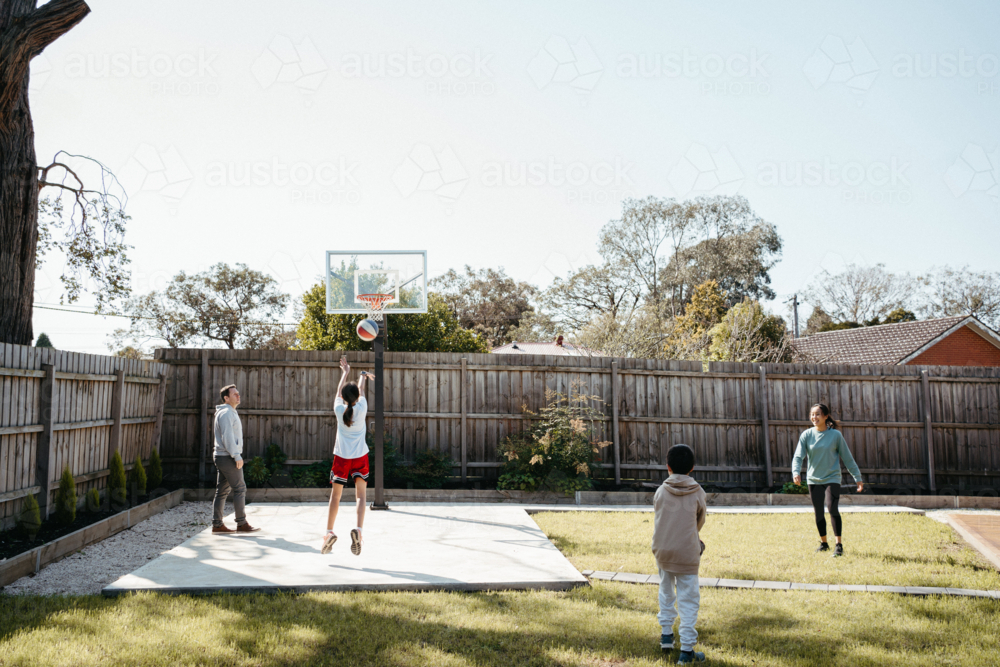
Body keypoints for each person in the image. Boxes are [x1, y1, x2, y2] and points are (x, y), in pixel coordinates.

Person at [652, 444, 707, 664]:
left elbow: (660, 518)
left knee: (666, 592)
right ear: (692, 467)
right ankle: (686, 649)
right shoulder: (698, 492)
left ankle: (666, 636)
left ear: (668, 467)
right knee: (688, 599)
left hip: (663, 551)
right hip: (687, 554)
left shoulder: (661, 491)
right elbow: (699, 521)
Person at [792, 403, 864, 556]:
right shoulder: (806, 435)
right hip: (814, 479)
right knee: (818, 513)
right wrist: (796, 471)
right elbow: (798, 456)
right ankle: (824, 543)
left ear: (825, 416)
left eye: (818, 414)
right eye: (812, 414)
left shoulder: (835, 435)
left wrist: (857, 477)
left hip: (832, 478)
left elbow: (847, 457)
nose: (814, 417)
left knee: (832, 508)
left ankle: (839, 545)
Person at [321, 357, 375, 556]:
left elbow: (339, 393)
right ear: (357, 396)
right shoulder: (361, 408)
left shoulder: (338, 409)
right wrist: (362, 377)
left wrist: (345, 372)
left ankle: (329, 532)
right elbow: (359, 394)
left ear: (343, 397)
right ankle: (359, 531)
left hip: (342, 457)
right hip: (360, 456)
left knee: (336, 496)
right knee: (361, 496)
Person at [212, 385, 260, 534]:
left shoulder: (229, 412)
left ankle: (217, 525)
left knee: (222, 491)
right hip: (227, 457)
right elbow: (228, 438)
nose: (238, 396)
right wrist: (236, 455)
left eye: (238, 394)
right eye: (235, 394)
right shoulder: (226, 413)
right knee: (240, 488)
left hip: (223, 456)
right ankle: (241, 524)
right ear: (226, 398)